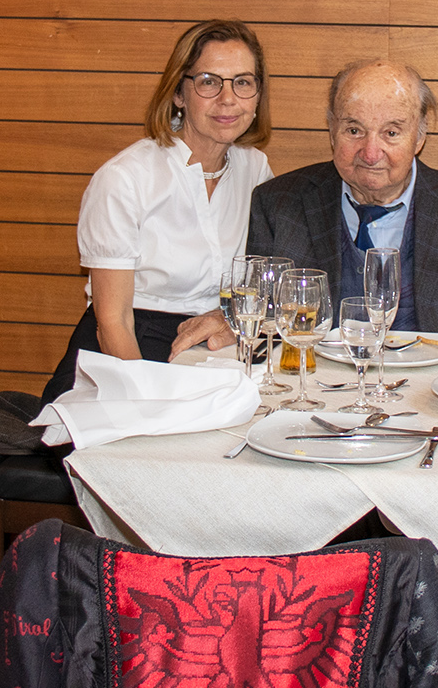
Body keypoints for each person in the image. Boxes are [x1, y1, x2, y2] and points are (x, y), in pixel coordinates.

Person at [41, 20, 274, 402]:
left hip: (213, 350)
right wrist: (145, 405)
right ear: (179, 93)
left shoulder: (256, 169)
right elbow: (112, 322)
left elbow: (264, 280)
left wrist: (231, 321)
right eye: (209, 82)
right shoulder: (124, 179)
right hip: (129, 351)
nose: (228, 99)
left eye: (243, 82)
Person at [241, 59, 438, 334]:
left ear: (419, 137)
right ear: (332, 130)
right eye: (354, 131)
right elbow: (263, 326)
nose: (370, 153)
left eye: (391, 133)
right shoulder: (277, 204)